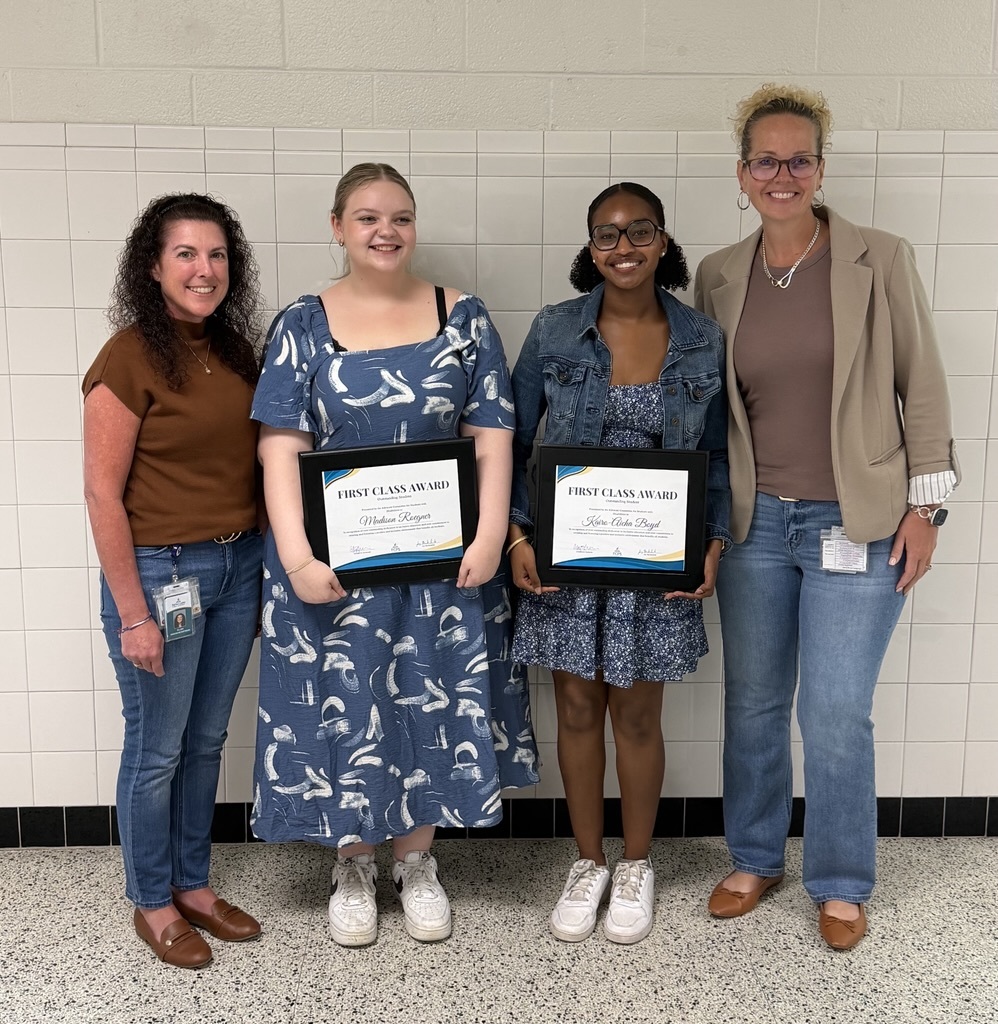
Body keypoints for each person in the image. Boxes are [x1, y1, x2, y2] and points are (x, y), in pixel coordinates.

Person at [694, 84, 959, 950]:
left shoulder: (879, 258)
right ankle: (755, 857)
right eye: (765, 160)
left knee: (838, 712)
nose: (783, 174)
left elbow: (923, 387)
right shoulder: (719, 274)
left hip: (860, 521)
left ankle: (841, 881)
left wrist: (927, 509)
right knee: (754, 702)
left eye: (799, 159)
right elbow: (710, 412)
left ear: (820, 167)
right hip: (754, 526)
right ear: (742, 172)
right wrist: (704, 524)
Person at [249, 163, 538, 948]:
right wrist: (297, 558)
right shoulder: (302, 324)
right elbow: (280, 447)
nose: (387, 231)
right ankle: (351, 865)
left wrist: (488, 535)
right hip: (333, 565)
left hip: (440, 563)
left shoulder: (463, 318)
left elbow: (493, 436)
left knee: (428, 701)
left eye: (401, 217)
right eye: (368, 217)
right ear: (337, 227)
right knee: (345, 701)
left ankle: (416, 862)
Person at [508, 182, 731, 945]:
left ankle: (636, 865)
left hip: (656, 560)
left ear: (663, 241)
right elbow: (513, 441)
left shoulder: (701, 339)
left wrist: (713, 540)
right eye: (607, 234)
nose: (624, 247)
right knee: (576, 709)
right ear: (590, 247)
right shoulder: (555, 329)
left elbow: (717, 454)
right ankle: (587, 862)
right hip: (567, 554)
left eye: (639, 231)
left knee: (636, 714)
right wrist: (517, 537)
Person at [83, 194, 265, 969]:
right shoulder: (126, 358)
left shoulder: (236, 351)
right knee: (157, 748)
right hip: (163, 576)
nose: (204, 269)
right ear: (152, 267)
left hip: (237, 567)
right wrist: (133, 614)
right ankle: (151, 899)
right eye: (185, 254)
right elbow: (101, 494)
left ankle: (193, 885)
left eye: (217, 254)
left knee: (206, 740)